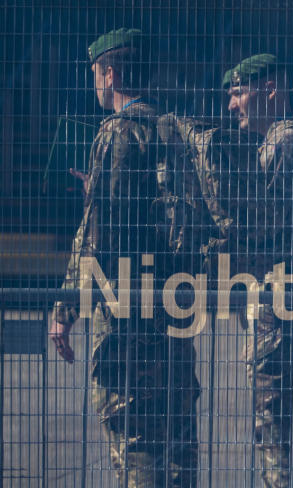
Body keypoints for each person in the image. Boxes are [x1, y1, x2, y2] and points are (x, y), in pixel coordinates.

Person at [49, 28, 200, 487]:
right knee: (176, 446)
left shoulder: (116, 132)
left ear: (110, 73)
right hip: (173, 312)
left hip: (126, 322)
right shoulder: (172, 129)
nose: (95, 83)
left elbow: (100, 238)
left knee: (134, 444)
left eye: (97, 73)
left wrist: (66, 308)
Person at [223, 53, 293, 488]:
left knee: (276, 425)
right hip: (286, 300)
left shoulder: (284, 145)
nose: (232, 105)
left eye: (239, 92)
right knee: (282, 423)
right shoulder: (287, 141)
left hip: (282, 303)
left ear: (270, 90)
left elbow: (273, 231)